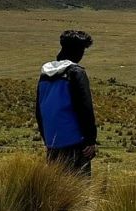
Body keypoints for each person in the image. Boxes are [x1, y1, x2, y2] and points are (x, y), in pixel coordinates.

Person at [35, 30, 98, 176]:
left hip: (53, 142)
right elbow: (85, 108)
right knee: (79, 189)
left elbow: (39, 110)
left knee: (55, 189)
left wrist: (47, 139)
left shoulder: (45, 74)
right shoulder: (76, 73)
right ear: (78, 51)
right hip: (75, 142)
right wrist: (90, 139)